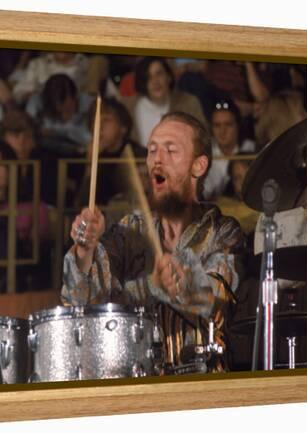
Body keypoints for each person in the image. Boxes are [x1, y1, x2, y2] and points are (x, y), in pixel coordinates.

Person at [61, 111, 245, 372]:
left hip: (202, 386)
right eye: (152, 150)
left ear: (198, 166)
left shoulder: (223, 231)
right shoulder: (128, 232)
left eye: (171, 151)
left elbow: (216, 300)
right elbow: (81, 303)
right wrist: (85, 250)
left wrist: (179, 284)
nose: (157, 160)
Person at [0, 139, 51, 292]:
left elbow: (39, 250)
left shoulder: (34, 207)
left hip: (23, 278)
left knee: (0, 224)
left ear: (11, 168)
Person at [131, 57, 206, 148]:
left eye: (159, 74)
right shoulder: (130, 106)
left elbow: (203, 140)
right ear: (142, 83)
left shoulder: (189, 103)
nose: (155, 81)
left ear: (169, 77)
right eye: (148, 77)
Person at [202, 99, 255, 200]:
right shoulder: (205, 155)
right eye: (217, 125)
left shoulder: (252, 150)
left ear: (238, 125)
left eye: (228, 124)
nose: (222, 131)